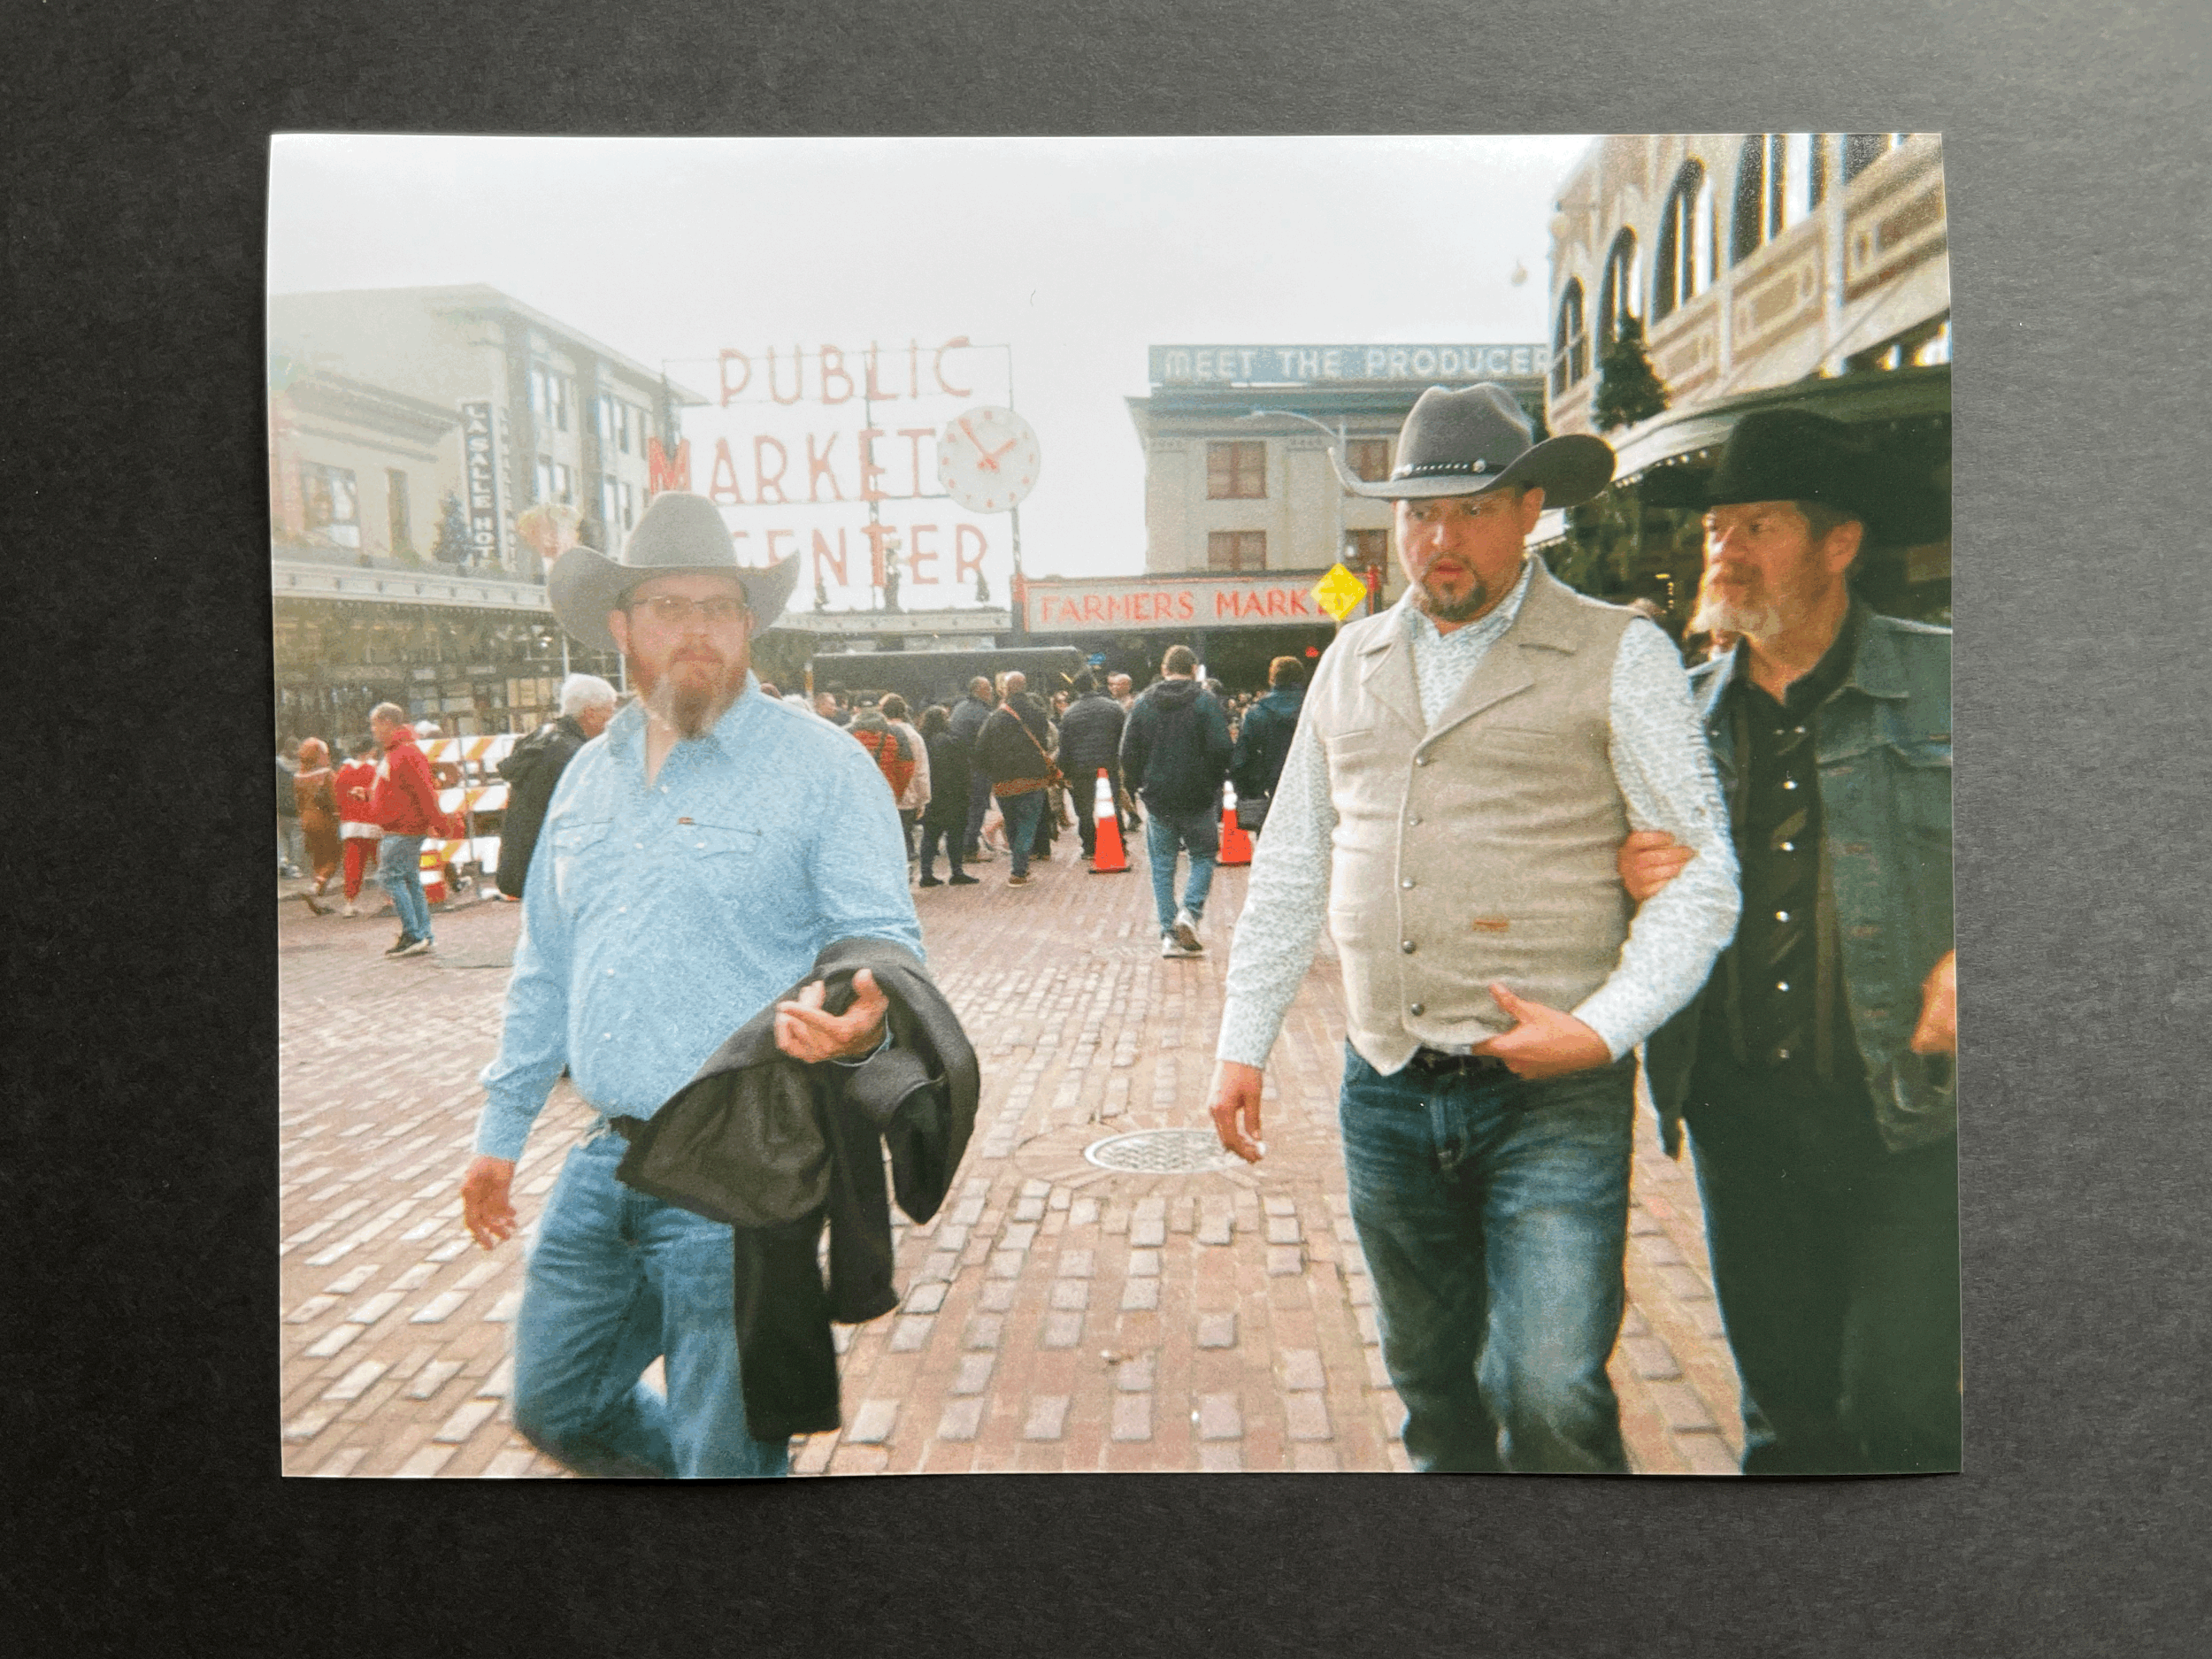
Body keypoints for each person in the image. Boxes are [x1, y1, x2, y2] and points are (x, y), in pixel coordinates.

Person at [1205, 382, 1740, 1475]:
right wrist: (1240, 1040)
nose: (1438, 542)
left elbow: (1701, 876)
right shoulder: (1348, 662)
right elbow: (1297, 857)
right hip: (1386, 1087)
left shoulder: (1617, 652)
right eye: (1416, 514)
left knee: (1547, 1389)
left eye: (1473, 511)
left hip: (1551, 1094)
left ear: (1532, 508)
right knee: (1431, 1391)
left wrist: (1600, 1031)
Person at [458, 489, 921, 1479]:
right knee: (557, 1405)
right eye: (670, 607)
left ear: (749, 623)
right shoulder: (587, 776)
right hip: (602, 1161)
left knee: (728, 1450)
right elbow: (545, 963)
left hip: (743, 1164)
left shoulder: (823, 768)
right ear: (621, 625)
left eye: (720, 607)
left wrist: (863, 1021)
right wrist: (500, 1135)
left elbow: (879, 945)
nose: (697, 629)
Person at [1622, 407, 1958, 1475]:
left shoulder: (1951, 680)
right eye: (1717, 525)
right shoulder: (1674, 718)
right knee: (1786, 1422)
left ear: (1838, 542)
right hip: (1740, 1118)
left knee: (1900, 1404)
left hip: (1908, 1115)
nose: (1722, 547)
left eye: (1758, 524)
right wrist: (1631, 884)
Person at [1119, 645, 1231, 957]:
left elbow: (1127, 753)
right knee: (1203, 856)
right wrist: (1212, 780)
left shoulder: (1143, 703)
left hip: (1159, 797)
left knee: (1162, 865)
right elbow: (1222, 747)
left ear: (1165, 668)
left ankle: (1169, 935)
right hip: (1197, 794)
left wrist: (1141, 784)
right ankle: (1190, 913)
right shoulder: (1205, 701)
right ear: (1193, 669)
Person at [495, 674, 618, 900]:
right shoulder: (577, 755)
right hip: (557, 873)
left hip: (525, 865)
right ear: (590, 713)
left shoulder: (541, 740)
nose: (612, 720)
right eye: (609, 711)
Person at [368, 702, 446, 957]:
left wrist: (437, 820)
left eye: (375, 724)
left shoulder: (401, 753)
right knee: (409, 878)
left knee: (390, 877)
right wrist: (436, 821)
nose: (373, 730)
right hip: (406, 825)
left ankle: (413, 933)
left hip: (401, 827)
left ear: (387, 723)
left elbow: (423, 791)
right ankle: (422, 933)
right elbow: (419, 790)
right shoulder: (403, 752)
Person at [974, 671, 1055, 887]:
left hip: (1003, 781)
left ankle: (1020, 867)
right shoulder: (1037, 712)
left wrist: (990, 775)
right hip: (1033, 778)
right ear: (1026, 686)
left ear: (1006, 689)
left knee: (1012, 823)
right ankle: (1019, 870)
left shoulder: (996, 716)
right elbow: (1045, 741)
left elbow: (980, 750)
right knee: (1028, 824)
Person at [1054, 671, 1127, 865]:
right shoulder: (1113, 708)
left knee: (1084, 809)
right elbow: (1124, 737)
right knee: (1113, 804)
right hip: (1108, 764)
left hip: (1081, 767)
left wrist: (1065, 771)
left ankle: (1089, 846)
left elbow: (1065, 746)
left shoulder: (1070, 713)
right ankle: (1119, 842)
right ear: (1094, 684)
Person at [1228, 656, 1307, 834]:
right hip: (1309, 792)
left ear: (1272, 679)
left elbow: (1242, 760)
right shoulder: (1314, 706)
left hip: (1269, 794)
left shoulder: (1257, 713)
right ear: (1302, 679)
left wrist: (1247, 794)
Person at [915, 705, 978, 888]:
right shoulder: (951, 741)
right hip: (954, 795)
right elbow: (962, 768)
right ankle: (957, 871)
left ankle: (926, 874)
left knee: (930, 835)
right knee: (955, 834)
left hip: (932, 796)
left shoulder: (923, 741)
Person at [948, 674, 998, 863]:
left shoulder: (959, 708)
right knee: (977, 808)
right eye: (989, 690)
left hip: (958, 767)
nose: (992, 693)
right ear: (980, 691)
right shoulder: (982, 713)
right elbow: (988, 743)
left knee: (964, 809)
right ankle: (970, 850)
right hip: (977, 768)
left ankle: (962, 846)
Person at [879, 694, 931, 873]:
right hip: (908, 796)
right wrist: (923, 799)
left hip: (886, 794)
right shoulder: (913, 736)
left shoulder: (881, 734)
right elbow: (921, 770)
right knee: (905, 835)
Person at [334, 737, 384, 917]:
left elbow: (338, 797)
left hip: (350, 824)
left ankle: (349, 903)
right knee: (381, 862)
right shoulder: (374, 769)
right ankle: (389, 898)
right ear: (371, 751)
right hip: (372, 822)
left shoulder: (343, 770)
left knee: (353, 865)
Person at [291, 738, 341, 911]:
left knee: (318, 859)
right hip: (324, 820)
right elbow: (335, 798)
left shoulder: (298, 776)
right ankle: (316, 887)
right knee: (333, 857)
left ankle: (317, 894)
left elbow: (298, 801)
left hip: (306, 820)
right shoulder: (326, 773)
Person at [275, 740, 305, 879]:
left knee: (282, 839)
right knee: (296, 839)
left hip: (281, 809)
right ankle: (293, 866)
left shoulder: (277, 765)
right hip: (296, 809)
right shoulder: (301, 766)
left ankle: (282, 864)